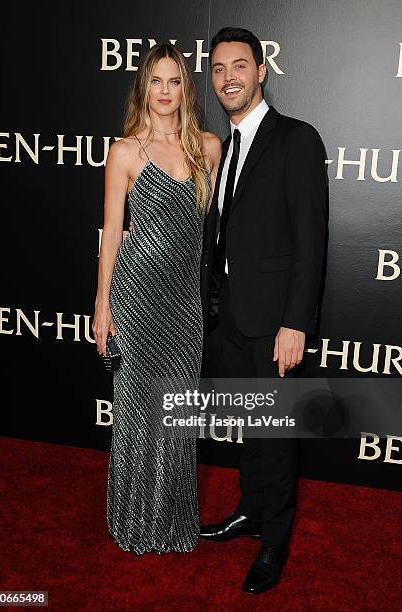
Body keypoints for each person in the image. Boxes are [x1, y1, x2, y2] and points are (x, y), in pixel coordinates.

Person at [200, 27, 328, 592]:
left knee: (274, 434)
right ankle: (252, 512)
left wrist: (296, 321)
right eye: (220, 68)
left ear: (261, 72)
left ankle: (275, 540)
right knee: (252, 428)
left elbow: (311, 240)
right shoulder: (222, 147)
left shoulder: (296, 140)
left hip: (276, 323)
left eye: (240, 66)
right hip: (232, 319)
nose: (229, 76)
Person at [92, 42, 222, 555]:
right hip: (136, 297)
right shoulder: (125, 152)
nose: (164, 91)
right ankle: (134, 521)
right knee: (136, 415)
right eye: (155, 81)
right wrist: (103, 305)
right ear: (142, 87)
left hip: (184, 306)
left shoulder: (207, 148)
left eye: (173, 81)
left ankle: (171, 520)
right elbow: (111, 235)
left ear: (183, 89)